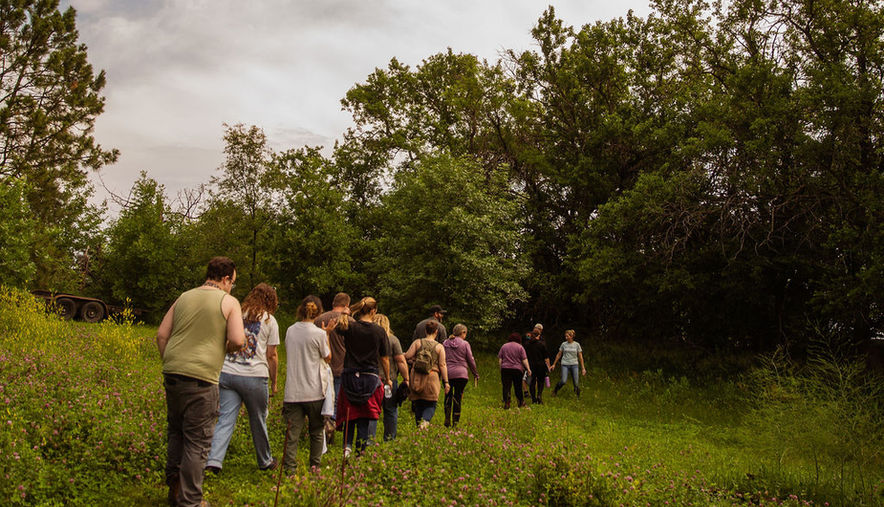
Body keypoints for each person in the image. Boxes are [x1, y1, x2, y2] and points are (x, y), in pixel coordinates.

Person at [156, 257, 245, 507]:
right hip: (202, 378)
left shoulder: (184, 297)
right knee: (198, 441)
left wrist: (172, 362)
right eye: (233, 283)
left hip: (172, 372)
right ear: (226, 279)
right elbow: (238, 340)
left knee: (176, 432)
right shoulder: (229, 302)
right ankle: (191, 500)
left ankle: (174, 490)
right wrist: (224, 348)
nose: (232, 287)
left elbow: (162, 335)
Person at [205, 283, 280, 474]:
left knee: (225, 418)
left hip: (228, 372)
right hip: (254, 376)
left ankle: (214, 461)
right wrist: (275, 382)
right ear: (270, 300)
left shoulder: (237, 313)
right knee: (258, 419)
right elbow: (272, 355)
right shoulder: (270, 321)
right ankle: (265, 461)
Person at [282, 295, 335, 472]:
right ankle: (315, 466)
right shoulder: (319, 334)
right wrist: (327, 333)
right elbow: (328, 357)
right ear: (318, 312)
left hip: (293, 390)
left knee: (292, 434)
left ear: (301, 309)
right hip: (314, 389)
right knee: (316, 431)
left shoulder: (290, 330)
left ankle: (289, 469)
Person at [335, 297, 392, 457]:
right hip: (370, 377)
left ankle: (347, 446)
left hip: (349, 375)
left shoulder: (349, 327)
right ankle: (361, 451)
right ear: (374, 311)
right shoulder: (379, 331)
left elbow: (338, 327)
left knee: (350, 412)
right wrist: (387, 378)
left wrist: (345, 313)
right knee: (364, 415)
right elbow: (385, 358)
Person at [404, 321, 450, 427]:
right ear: (436, 332)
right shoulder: (439, 347)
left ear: (425, 331)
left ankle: (418, 426)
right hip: (432, 376)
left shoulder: (417, 343)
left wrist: (414, 360)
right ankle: (425, 421)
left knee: (418, 402)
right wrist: (446, 382)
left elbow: (407, 356)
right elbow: (442, 365)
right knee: (431, 403)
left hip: (417, 376)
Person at [371, 313, 409, 441]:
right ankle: (389, 439)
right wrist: (406, 378)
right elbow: (401, 361)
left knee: (372, 411)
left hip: (371, 380)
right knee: (391, 410)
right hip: (389, 381)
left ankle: (369, 440)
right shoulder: (393, 340)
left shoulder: (368, 339)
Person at [314, 292, 350, 420]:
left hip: (322, 366)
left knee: (321, 401)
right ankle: (332, 429)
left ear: (334, 303)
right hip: (342, 366)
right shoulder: (349, 321)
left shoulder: (319, 319)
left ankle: (322, 427)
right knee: (336, 403)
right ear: (346, 305)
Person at [442, 323, 479, 427]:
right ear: (462, 332)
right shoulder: (465, 344)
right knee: (458, 396)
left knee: (448, 395)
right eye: (465, 333)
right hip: (461, 375)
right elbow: (470, 360)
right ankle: (455, 422)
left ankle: (447, 417)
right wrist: (475, 373)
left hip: (447, 374)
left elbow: (442, 358)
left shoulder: (445, 343)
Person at [498, 332, 531, 409]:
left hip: (505, 369)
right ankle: (520, 402)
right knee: (518, 386)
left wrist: (501, 368)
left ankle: (507, 402)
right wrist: (528, 369)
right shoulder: (520, 347)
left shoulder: (504, 346)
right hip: (517, 370)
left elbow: (500, 359)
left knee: (506, 386)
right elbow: (524, 360)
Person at [550, 329, 586, 398]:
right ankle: (555, 390)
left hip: (574, 364)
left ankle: (577, 398)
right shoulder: (564, 344)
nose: (566, 338)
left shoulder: (577, 345)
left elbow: (580, 357)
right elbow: (559, 354)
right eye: (565, 336)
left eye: (567, 336)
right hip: (565, 364)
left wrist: (583, 368)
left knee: (576, 383)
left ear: (571, 336)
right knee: (563, 381)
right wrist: (554, 364)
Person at [524, 325, 551, 404]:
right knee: (540, 381)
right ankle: (539, 395)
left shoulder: (527, 344)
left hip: (531, 364)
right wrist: (548, 366)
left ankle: (533, 399)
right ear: (538, 335)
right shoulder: (541, 344)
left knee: (532, 381)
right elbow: (546, 357)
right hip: (541, 365)